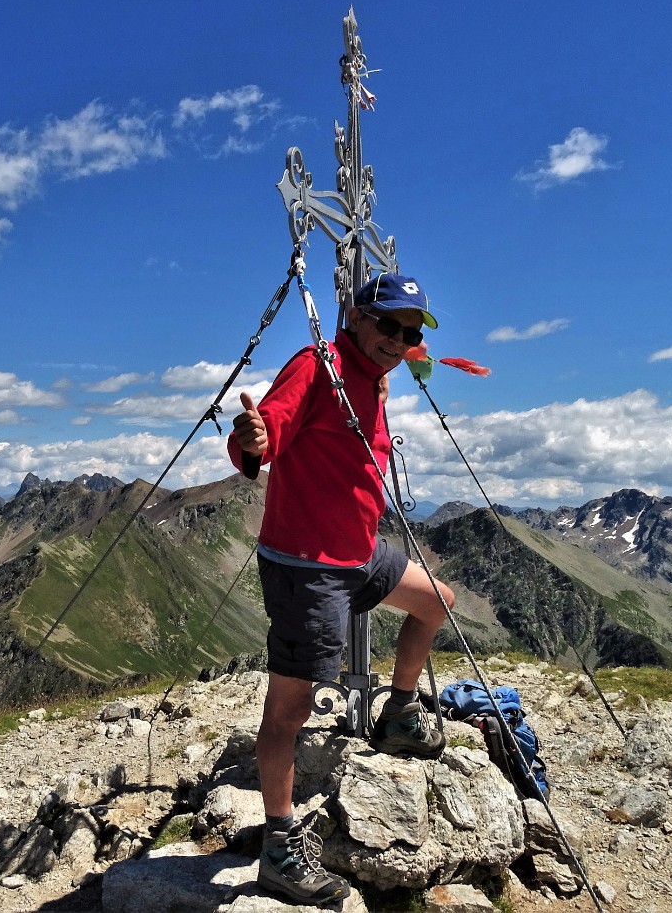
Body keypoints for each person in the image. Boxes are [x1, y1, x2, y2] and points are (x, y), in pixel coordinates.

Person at [227, 272, 458, 907]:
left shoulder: (376, 375)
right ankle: (278, 848)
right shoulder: (317, 365)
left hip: (357, 553)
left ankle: (395, 715)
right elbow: (265, 431)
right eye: (389, 324)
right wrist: (254, 441)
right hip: (306, 565)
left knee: (437, 600)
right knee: (290, 712)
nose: (399, 339)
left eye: (410, 332)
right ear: (355, 316)